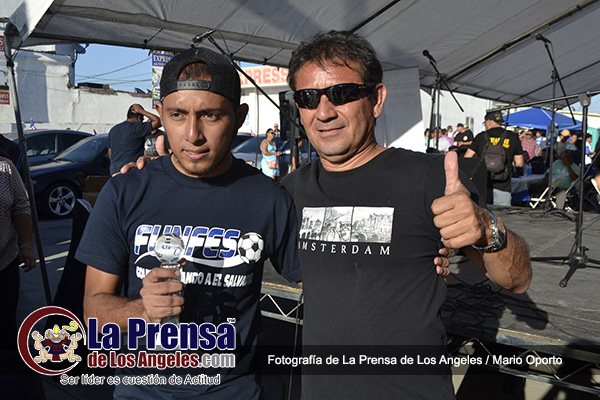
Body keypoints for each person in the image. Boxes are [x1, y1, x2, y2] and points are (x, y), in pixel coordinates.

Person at [282, 30, 531, 399]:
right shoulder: (289, 192)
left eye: (342, 93)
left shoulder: (430, 177)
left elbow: (517, 279)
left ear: (376, 99)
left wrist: (486, 229)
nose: (324, 112)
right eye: (307, 98)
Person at [77, 47, 302, 399]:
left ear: (239, 117)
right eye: (178, 115)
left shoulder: (270, 198)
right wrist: (141, 310)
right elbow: (93, 309)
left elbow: (327, 285)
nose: (193, 134)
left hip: (232, 390)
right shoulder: (125, 191)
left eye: (211, 115)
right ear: (160, 115)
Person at [0, 156, 36, 348]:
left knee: (5, 323)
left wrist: (27, 246)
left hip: (5, 260)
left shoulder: (5, 168)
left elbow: (21, 206)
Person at [464, 111, 524, 205]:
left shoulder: (480, 137)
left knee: (483, 213)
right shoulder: (513, 137)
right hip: (503, 186)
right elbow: (519, 163)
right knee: (502, 213)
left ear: (488, 121)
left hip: (482, 186)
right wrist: (505, 163)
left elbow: (467, 158)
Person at [108, 103, 162, 175]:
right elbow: (158, 121)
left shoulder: (113, 130)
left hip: (114, 170)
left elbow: (110, 152)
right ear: (139, 118)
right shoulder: (137, 128)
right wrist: (142, 111)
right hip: (130, 170)